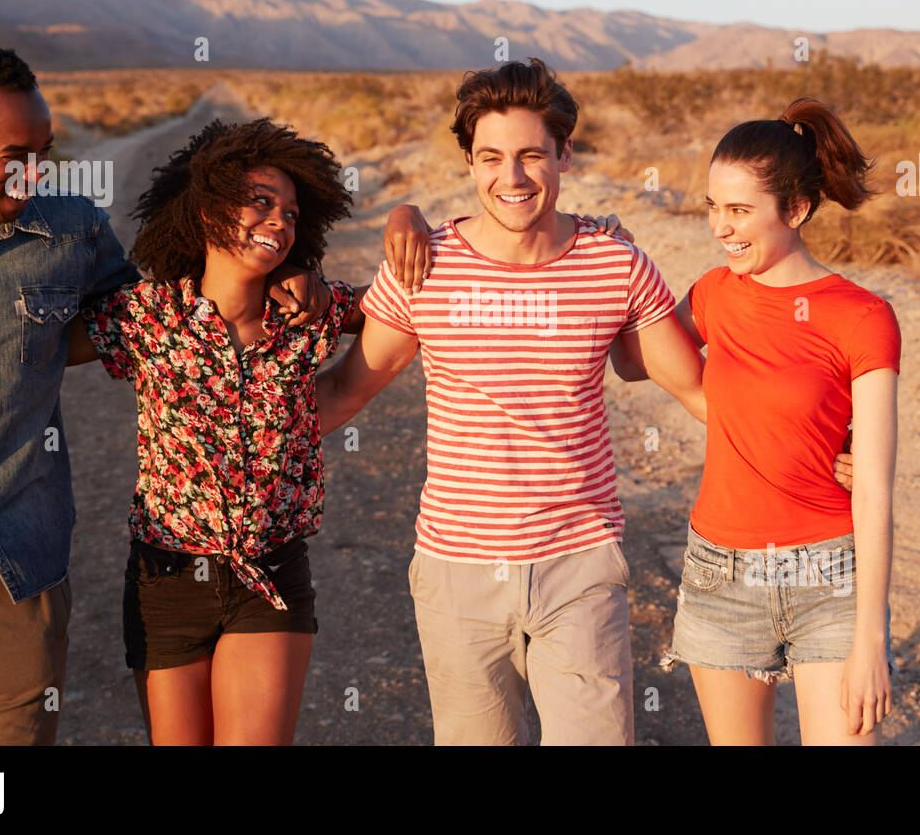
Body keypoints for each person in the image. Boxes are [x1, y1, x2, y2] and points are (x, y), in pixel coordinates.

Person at [317, 59, 852, 745]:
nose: (510, 178)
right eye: (491, 158)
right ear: (470, 162)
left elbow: (695, 387)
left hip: (581, 564)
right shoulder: (427, 264)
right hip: (457, 570)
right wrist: (223, 432)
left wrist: (825, 453)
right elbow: (344, 389)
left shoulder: (614, 263)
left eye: (532, 155)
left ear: (565, 153)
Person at [0, 47, 324, 747]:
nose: (34, 174)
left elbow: (168, 312)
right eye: (14, 155)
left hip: (18, 573)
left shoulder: (72, 231)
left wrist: (286, 268)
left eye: (45, 152)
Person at [57, 118, 361, 745]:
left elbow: (406, 304)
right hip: (164, 583)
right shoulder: (149, 314)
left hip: (269, 579)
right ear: (203, 210)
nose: (280, 221)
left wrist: (408, 217)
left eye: (291, 213)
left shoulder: (309, 316)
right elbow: (29, 338)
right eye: (260, 202)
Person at [618, 97, 900, 745]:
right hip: (722, 573)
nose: (721, 227)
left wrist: (871, 638)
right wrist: (623, 273)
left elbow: (877, 487)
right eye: (714, 206)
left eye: (740, 210)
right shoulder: (716, 293)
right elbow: (634, 361)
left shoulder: (863, 316)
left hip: (827, 572)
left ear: (796, 210)